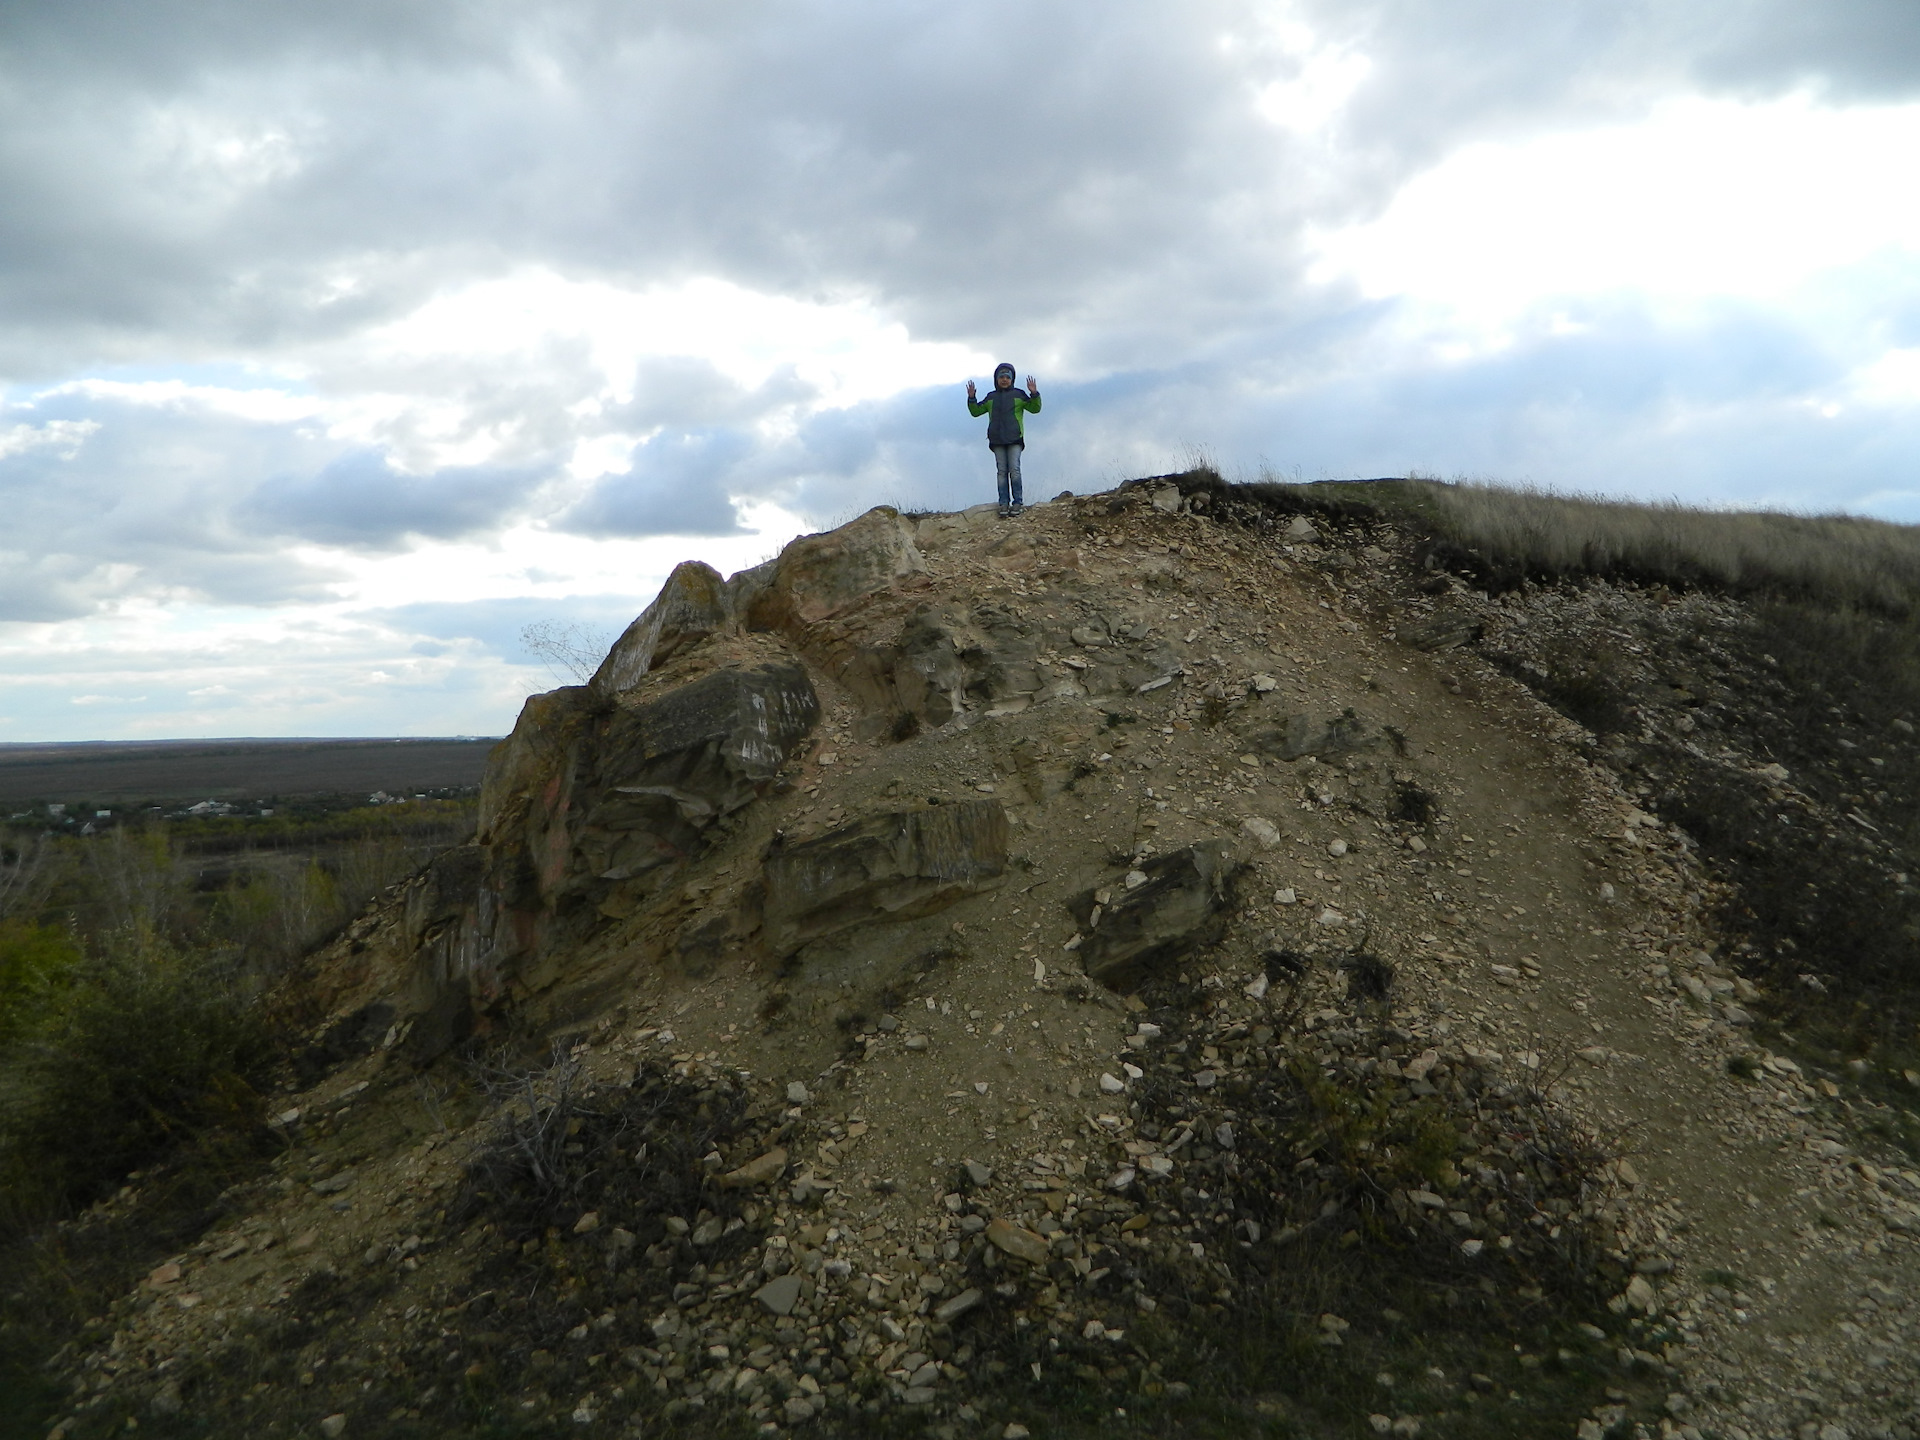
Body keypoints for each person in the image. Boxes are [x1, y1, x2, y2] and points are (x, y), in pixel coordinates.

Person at [966, 363, 1041, 516]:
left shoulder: (1019, 395)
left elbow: (1035, 408)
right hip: (997, 440)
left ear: (1012, 379)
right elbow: (976, 412)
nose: (1004, 380)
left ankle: (1018, 503)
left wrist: (1034, 394)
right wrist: (972, 398)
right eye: (1001, 377)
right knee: (1001, 472)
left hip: (1014, 439)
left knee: (1014, 470)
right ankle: (1003, 504)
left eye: (1008, 377)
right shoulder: (991, 397)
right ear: (996, 379)